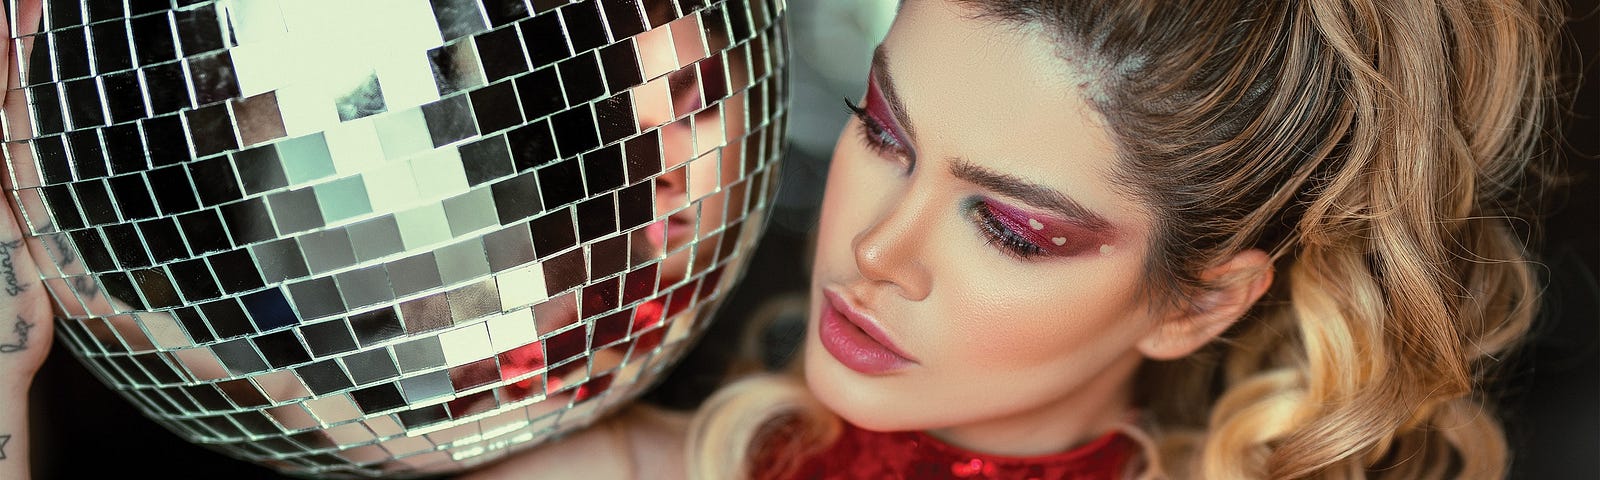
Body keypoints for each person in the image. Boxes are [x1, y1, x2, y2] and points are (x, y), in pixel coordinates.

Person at [2, 0, 1561, 479]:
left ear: (1199, 299)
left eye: (1009, 224)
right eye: (886, 134)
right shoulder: (673, 456)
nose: (871, 247)